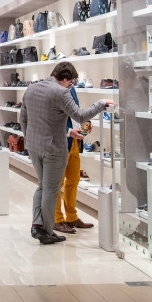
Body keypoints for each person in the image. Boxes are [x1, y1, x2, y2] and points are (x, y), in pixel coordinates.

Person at [20, 62, 113, 245]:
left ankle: (37, 225)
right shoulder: (61, 92)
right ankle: (47, 231)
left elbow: (24, 119)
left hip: (34, 146)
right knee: (51, 189)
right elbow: (80, 116)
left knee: (42, 186)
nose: (71, 87)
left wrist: (31, 139)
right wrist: (101, 103)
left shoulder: (31, 88)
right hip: (54, 149)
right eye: (70, 83)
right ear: (64, 78)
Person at [54, 85, 94, 234]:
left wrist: (84, 123)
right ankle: (57, 219)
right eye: (70, 80)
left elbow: (75, 112)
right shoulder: (54, 91)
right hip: (61, 141)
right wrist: (68, 131)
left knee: (74, 179)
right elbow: (51, 118)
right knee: (57, 183)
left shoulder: (72, 89)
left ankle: (71, 217)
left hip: (75, 142)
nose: (72, 83)